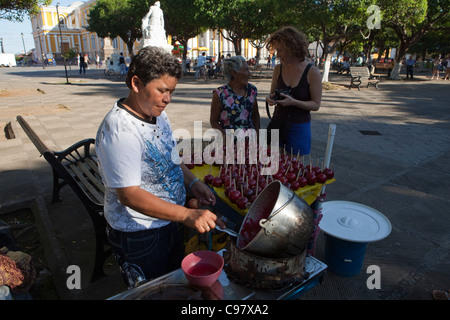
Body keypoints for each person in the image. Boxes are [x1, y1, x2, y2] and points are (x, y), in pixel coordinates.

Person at [96, 46, 226, 287]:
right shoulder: (120, 130)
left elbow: (170, 156)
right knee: (152, 292)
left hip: (168, 221)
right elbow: (129, 195)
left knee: (174, 286)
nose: (168, 99)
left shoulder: (157, 114)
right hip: (139, 234)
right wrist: (188, 214)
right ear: (136, 83)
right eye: (162, 90)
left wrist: (193, 183)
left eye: (172, 91)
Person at [265, 26, 322, 156]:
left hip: (299, 126)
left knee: (293, 168)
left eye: (280, 50)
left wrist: (293, 102)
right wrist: (269, 98)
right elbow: (272, 93)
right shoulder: (278, 69)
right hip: (277, 122)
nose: (277, 55)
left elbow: (316, 105)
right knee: (270, 164)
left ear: (292, 47)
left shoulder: (312, 72)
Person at [210, 55, 260, 139]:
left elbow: (255, 117)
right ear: (234, 73)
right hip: (228, 144)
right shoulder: (220, 94)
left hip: (249, 143)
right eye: (246, 70)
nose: (249, 74)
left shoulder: (252, 90)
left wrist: (258, 138)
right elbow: (213, 121)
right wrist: (225, 137)